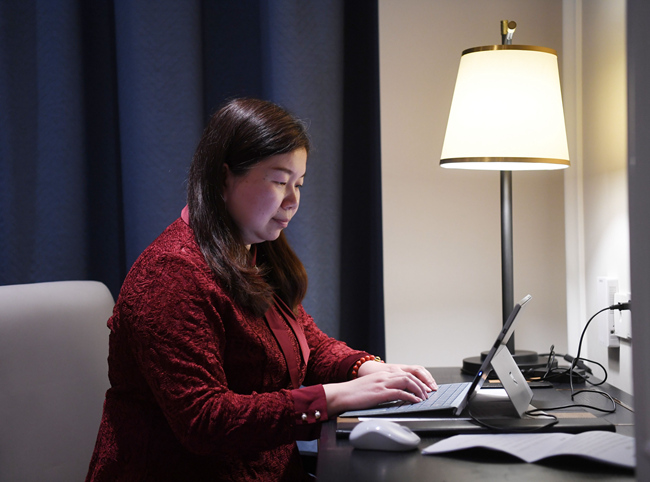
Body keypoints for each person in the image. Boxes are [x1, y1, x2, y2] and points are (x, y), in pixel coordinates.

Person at [86, 98, 437, 481]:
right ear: (223, 178)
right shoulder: (171, 275)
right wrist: (338, 396)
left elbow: (306, 345)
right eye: (279, 182)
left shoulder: (251, 251)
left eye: (299, 184)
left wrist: (371, 370)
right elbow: (206, 421)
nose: (293, 201)